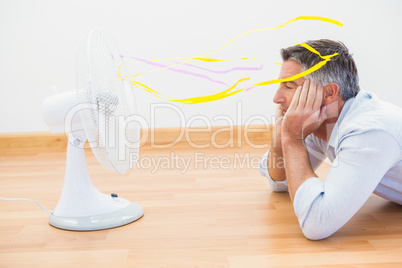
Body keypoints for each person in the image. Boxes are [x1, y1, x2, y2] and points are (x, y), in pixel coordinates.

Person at [259, 39, 402, 240]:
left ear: (328, 93)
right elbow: (279, 181)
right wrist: (282, 133)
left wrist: (293, 138)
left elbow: (317, 224)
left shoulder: (369, 131)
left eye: (289, 86)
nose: (276, 97)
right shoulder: (324, 121)